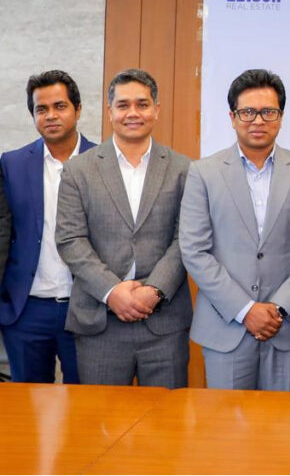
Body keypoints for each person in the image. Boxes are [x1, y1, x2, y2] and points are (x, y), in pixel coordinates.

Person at [180, 69, 290, 391]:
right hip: (226, 326)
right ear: (232, 117)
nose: (258, 121)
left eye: (268, 112)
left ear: (281, 117)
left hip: (286, 327)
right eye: (248, 112)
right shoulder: (203, 173)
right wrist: (245, 310)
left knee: (285, 421)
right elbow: (194, 250)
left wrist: (278, 307)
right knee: (225, 423)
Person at [56, 68, 192, 388]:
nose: (133, 113)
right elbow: (71, 239)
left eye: (142, 104)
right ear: (110, 112)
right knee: (100, 416)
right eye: (123, 105)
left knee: (167, 417)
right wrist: (112, 291)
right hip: (99, 321)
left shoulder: (183, 169)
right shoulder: (78, 170)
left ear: (156, 110)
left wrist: (154, 290)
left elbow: (186, 239)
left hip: (163, 324)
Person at [0, 70, 96, 383]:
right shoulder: (12, 164)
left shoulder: (104, 160)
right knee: (27, 405)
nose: (51, 115)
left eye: (60, 106)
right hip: (26, 310)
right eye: (41, 109)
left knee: (87, 404)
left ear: (78, 109)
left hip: (87, 307)